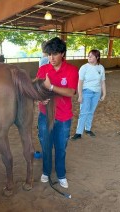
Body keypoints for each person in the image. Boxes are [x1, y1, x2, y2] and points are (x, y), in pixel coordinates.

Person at [36, 37, 79, 188]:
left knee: (61, 147)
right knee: (45, 145)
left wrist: (52, 87)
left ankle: (61, 174)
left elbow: (71, 92)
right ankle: (46, 171)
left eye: (54, 54)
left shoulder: (72, 70)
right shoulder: (43, 69)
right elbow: (38, 90)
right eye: (48, 54)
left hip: (63, 116)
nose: (51, 58)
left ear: (62, 53)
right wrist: (40, 99)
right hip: (45, 115)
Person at [71, 49, 106, 140]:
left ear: (97, 57)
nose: (89, 57)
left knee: (91, 112)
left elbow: (102, 82)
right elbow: (80, 82)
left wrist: (104, 94)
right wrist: (80, 95)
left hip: (97, 93)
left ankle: (88, 129)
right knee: (84, 112)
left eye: (91, 56)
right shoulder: (84, 67)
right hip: (86, 91)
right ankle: (78, 132)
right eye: (88, 55)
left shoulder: (101, 68)